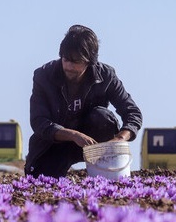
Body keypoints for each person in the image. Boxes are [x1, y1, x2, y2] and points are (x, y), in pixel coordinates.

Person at [25, 25, 143, 178]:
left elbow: (132, 113)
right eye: (66, 59)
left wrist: (119, 139)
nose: (69, 66)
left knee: (102, 117)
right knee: (41, 179)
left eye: (76, 61)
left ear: (90, 61)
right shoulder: (43, 76)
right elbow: (38, 121)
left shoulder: (106, 76)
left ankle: (103, 174)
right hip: (55, 143)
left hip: (95, 145)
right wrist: (74, 135)